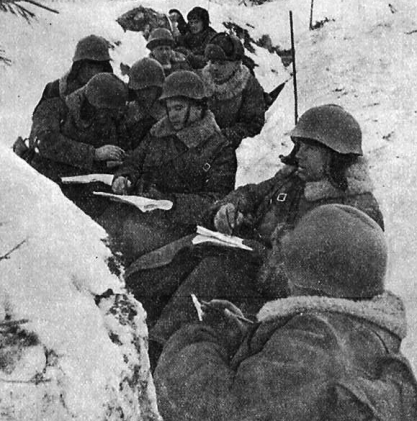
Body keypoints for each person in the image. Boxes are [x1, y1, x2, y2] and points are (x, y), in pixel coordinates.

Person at [137, 104, 384, 349]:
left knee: (213, 273)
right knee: (181, 258)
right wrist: (232, 207)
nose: (298, 155)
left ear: (334, 155)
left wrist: (262, 256)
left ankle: (159, 347)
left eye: (309, 148)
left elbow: (331, 288)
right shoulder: (292, 180)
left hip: (291, 309)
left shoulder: (357, 210)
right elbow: (251, 193)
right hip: (247, 270)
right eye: (299, 146)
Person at [154, 204, 417, 421]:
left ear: (312, 278)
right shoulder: (362, 330)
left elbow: (208, 407)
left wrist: (200, 336)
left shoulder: (315, 341)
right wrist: (246, 334)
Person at [98, 71, 237, 266]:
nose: (172, 116)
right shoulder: (158, 131)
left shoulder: (219, 148)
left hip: (176, 226)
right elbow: (135, 161)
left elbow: (216, 201)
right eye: (169, 109)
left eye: (178, 108)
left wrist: (170, 202)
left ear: (198, 106)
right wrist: (125, 177)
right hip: (137, 210)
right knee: (95, 234)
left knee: (125, 252)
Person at [29, 72, 128, 185]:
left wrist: (107, 163)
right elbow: (45, 142)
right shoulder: (53, 106)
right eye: (104, 111)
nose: (106, 117)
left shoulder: (100, 116)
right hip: (42, 179)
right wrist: (93, 154)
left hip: (78, 181)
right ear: (93, 103)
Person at [201, 32, 266, 148]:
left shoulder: (248, 85)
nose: (215, 68)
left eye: (222, 63)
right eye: (212, 62)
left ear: (237, 64)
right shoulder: (201, 80)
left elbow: (253, 124)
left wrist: (225, 136)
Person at [36, 34, 113, 107]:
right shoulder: (55, 89)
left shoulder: (111, 94)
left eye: (99, 66)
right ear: (79, 66)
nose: (95, 72)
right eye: (90, 65)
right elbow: (40, 117)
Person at [122, 57, 166, 150]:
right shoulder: (128, 111)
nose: (144, 94)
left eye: (149, 89)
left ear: (158, 89)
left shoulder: (167, 112)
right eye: (140, 90)